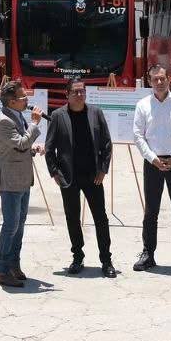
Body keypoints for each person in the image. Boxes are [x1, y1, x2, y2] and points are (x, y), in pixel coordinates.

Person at [44, 79, 116, 278]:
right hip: (69, 177)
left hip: (93, 176)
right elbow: (49, 148)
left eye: (82, 91)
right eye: (75, 92)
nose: (79, 95)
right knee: (72, 218)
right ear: (67, 95)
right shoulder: (58, 116)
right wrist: (55, 173)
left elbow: (107, 144)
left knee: (100, 218)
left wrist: (103, 170)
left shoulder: (96, 113)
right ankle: (77, 257)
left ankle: (106, 260)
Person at [132, 64, 171, 273]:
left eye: (162, 78)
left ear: (169, 79)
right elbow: (138, 135)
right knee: (151, 212)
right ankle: (148, 254)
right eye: (155, 79)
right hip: (153, 163)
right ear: (149, 81)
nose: (159, 82)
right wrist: (152, 158)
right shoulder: (142, 105)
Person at [0, 80, 43, 288]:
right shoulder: (3, 121)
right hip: (10, 180)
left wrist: (33, 149)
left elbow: (21, 146)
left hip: (22, 179)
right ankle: (2, 270)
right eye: (23, 97)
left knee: (19, 225)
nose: (27, 99)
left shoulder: (18, 115)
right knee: (10, 225)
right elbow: (21, 143)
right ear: (12, 102)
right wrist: (35, 124)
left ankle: (14, 264)